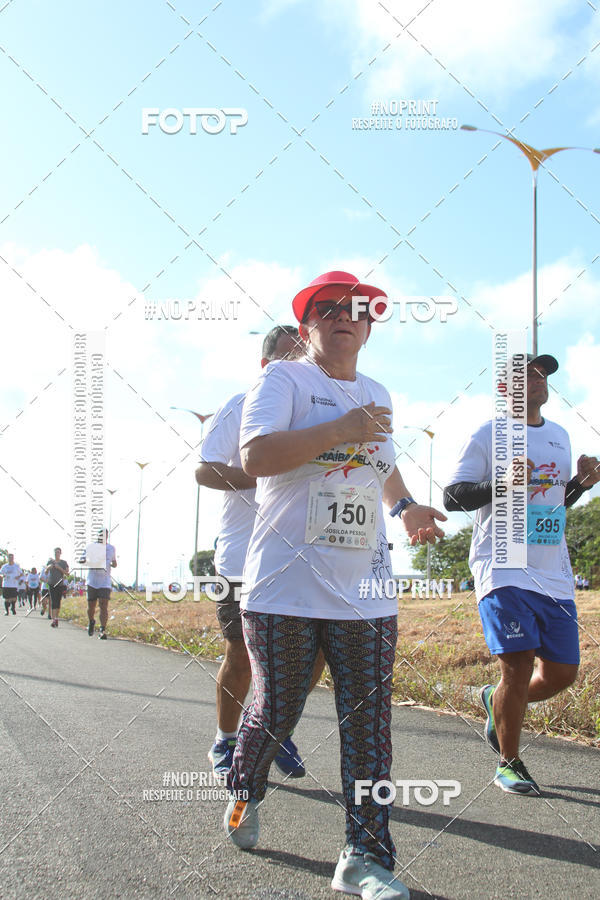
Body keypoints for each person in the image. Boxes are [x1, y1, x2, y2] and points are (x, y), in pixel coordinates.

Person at [224, 271, 446, 899]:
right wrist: (339, 430)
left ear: (370, 327)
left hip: (366, 590)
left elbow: (381, 462)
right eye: (327, 309)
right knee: (277, 710)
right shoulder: (283, 379)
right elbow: (257, 457)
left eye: (357, 309)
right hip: (284, 588)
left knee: (370, 723)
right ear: (307, 327)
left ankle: (364, 856)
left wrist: (406, 507)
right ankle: (244, 788)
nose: (343, 316)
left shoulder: (376, 391)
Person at [444, 353, 600, 796]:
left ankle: (496, 703)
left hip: (552, 571)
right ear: (503, 389)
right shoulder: (488, 434)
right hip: (504, 567)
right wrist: (503, 483)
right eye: (526, 375)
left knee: (562, 673)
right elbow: (454, 497)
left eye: (542, 373)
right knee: (517, 666)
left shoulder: (560, 437)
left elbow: (553, 503)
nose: (537, 380)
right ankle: (508, 763)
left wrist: (581, 485)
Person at [197, 325, 325, 781]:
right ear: (266, 365)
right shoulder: (242, 404)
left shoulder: (318, 411)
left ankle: (273, 728)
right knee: (243, 653)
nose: (298, 367)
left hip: (304, 557)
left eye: (303, 358)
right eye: (289, 358)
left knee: (315, 657)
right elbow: (205, 471)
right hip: (242, 556)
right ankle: (227, 739)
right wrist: (269, 474)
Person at [82, 530, 117, 639]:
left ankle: (102, 630)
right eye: (100, 535)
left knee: (103, 605)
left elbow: (114, 562)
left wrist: (114, 564)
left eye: (104, 535)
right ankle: (91, 621)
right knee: (91, 606)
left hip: (105, 581)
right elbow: (82, 559)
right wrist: (86, 560)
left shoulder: (111, 548)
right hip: (92, 581)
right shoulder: (91, 547)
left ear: (107, 536)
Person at [45, 547, 69, 628]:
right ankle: (54, 619)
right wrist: (49, 567)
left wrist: (59, 568)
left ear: (60, 553)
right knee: (53, 601)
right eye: (55, 552)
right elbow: (46, 571)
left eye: (58, 552)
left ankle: (56, 618)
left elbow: (67, 573)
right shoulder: (50, 561)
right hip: (52, 583)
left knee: (58, 602)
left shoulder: (63, 563)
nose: (57, 554)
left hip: (59, 584)